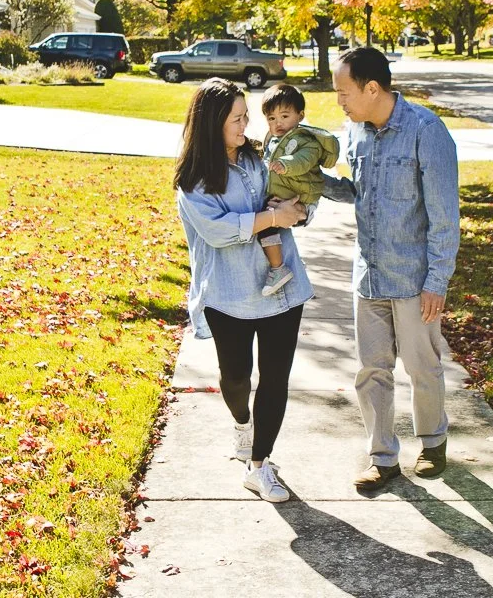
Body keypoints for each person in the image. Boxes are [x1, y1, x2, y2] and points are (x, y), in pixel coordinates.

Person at [324, 47, 460, 495]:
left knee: (423, 366)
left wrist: (436, 281)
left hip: (414, 277)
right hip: (370, 274)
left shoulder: (426, 131)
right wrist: (312, 182)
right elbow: (357, 193)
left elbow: (444, 217)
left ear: (372, 88)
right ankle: (382, 458)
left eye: (344, 91)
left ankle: (433, 441)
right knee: (372, 370)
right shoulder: (356, 133)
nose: (339, 100)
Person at [174, 78, 313, 503]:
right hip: (229, 293)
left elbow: (294, 194)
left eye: (245, 116)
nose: (245, 124)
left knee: (275, 379)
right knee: (235, 380)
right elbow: (219, 232)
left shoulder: (259, 157)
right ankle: (241, 424)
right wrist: (272, 219)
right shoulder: (194, 181)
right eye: (236, 118)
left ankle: (259, 464)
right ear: (212, 122)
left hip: (281, 286)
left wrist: (299, 211)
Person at [255, 84, 340, 296]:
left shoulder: (306, 140)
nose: (278, 123)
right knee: (267, 224)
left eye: (284, 116)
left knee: (266, 225)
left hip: (301, 199)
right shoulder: (275, 140)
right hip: (286, 195)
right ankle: (289, 262)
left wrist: (285, 164)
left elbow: (303, 160)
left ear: (300, 115)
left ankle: (279, 269)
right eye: (271, 118)